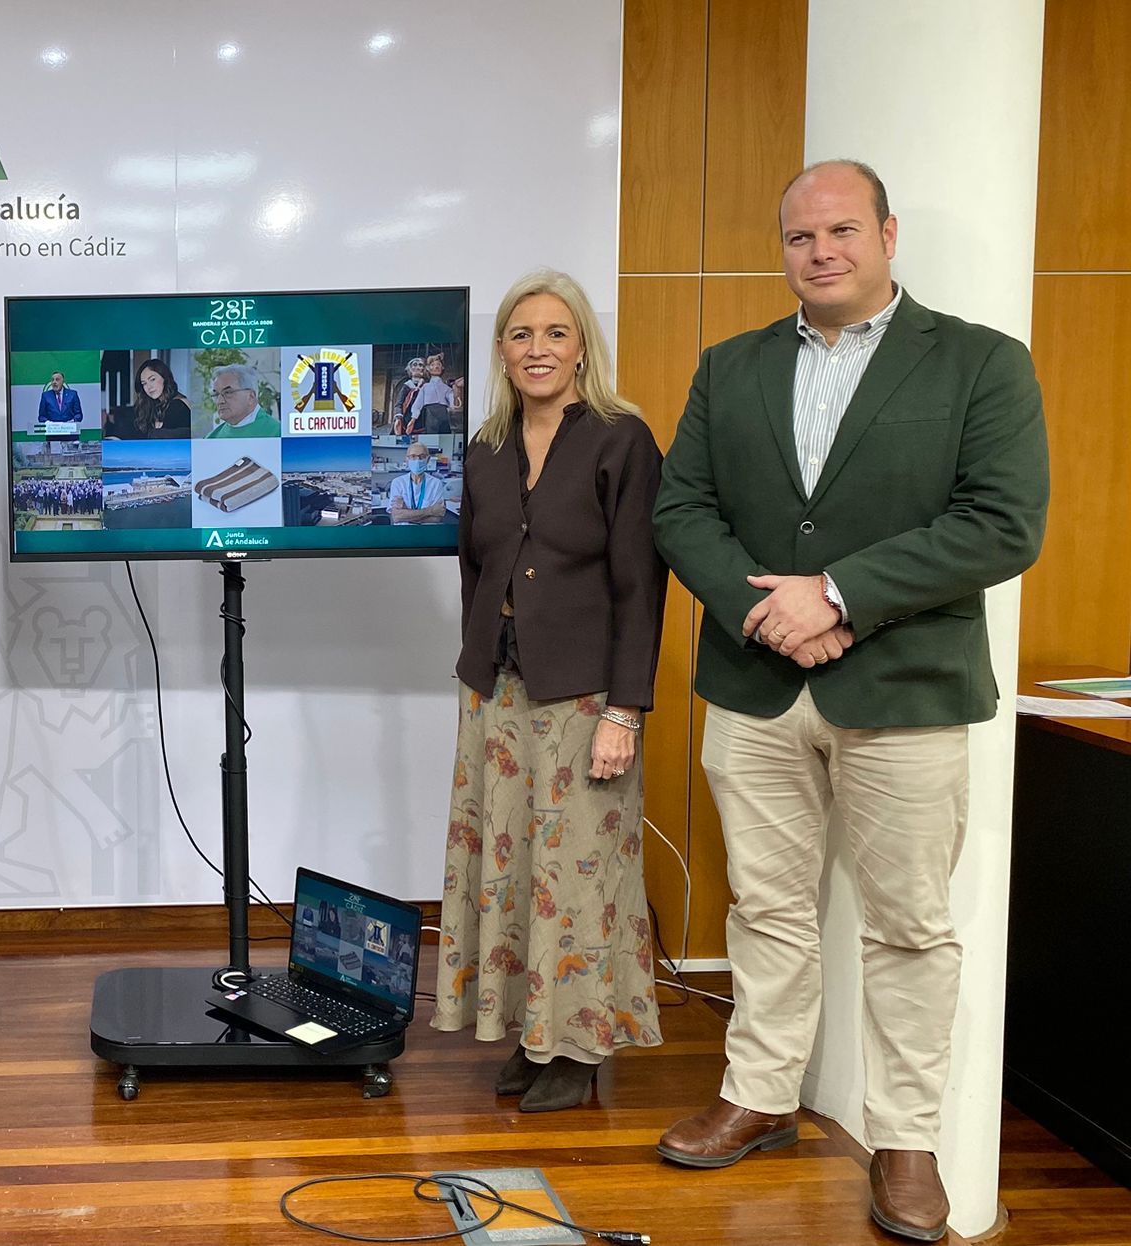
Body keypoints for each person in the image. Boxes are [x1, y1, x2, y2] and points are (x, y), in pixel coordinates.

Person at [651, 160, 1048, 1242]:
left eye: (839, 230)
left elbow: (1001, 523)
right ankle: (760, 1095)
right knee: (766, 908)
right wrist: (767, 613)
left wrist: (835, 596)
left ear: (884, 233)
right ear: (778, 250)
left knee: (909, 925)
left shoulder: (978, 363)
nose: (818, 251)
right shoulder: (727, 368)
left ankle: (905, 1136)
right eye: (797, 237)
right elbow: (679, 508)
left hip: (905, 692)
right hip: (753, 686)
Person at [434, 268, 667, 1113]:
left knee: (576, 871)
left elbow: (642, 584)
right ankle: (532, 1031)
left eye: (556, 333)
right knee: (507, 867)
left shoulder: (620, 440)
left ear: (581, 348)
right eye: (521, 334)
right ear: (501, 349)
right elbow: (474, 570)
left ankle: (579, 1046)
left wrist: (624, 709)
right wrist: (476, 669)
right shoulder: (485, 448)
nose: (539, 349)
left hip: (584, 699)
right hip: (494, 692)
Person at [205, 362, 279, 438]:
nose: (219, 401)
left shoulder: (277, 433)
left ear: (251, 397)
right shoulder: (211, 438)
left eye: (228, 392)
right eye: (216, 394)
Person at [387, 441, 450, 524]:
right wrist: (431, 510)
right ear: (407, 459)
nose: (417, 460)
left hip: (427, 533)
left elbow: (437, 519)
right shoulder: (398, 482)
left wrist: (406, 513)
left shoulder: (436, 484)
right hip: (403, 533)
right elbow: (396, 517)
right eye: (413, 456)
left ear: (428, 459)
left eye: (422, 456)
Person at [130, 358, 192, 438]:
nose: (149, 387)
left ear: (164, 378)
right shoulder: (153, 407)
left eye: (152, 379)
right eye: (144, 383)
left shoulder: (178, 405)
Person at [390, 356, 427, 434]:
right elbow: (399, 404)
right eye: (415, 365)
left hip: (423, 422)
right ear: (410, 369)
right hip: (406, 421)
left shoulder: (426, 386)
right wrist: (398, 418)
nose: (417, 367)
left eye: (420, 365)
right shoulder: (406, 386)